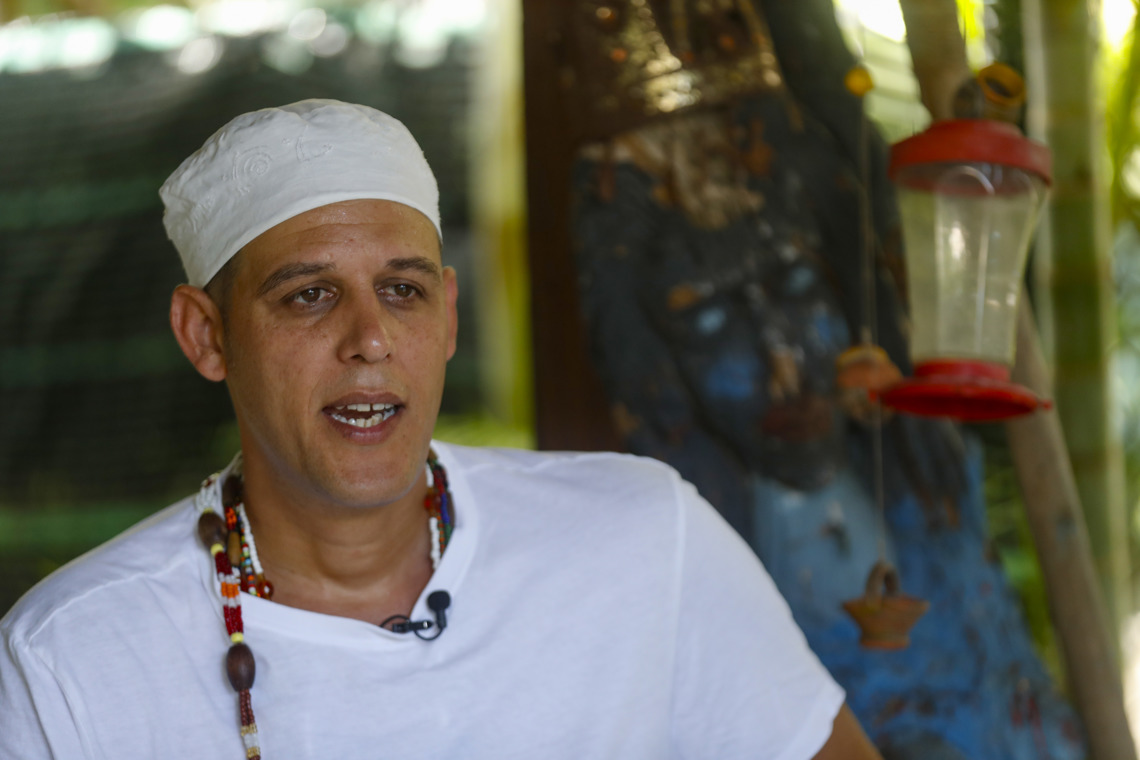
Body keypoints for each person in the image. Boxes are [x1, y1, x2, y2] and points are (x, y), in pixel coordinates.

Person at [0, 99, 881, 759]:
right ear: (207, 335)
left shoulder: (644, 538)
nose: (370, 339)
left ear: (448, 317)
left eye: (403, 289)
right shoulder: (72, 659)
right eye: (308, 296)